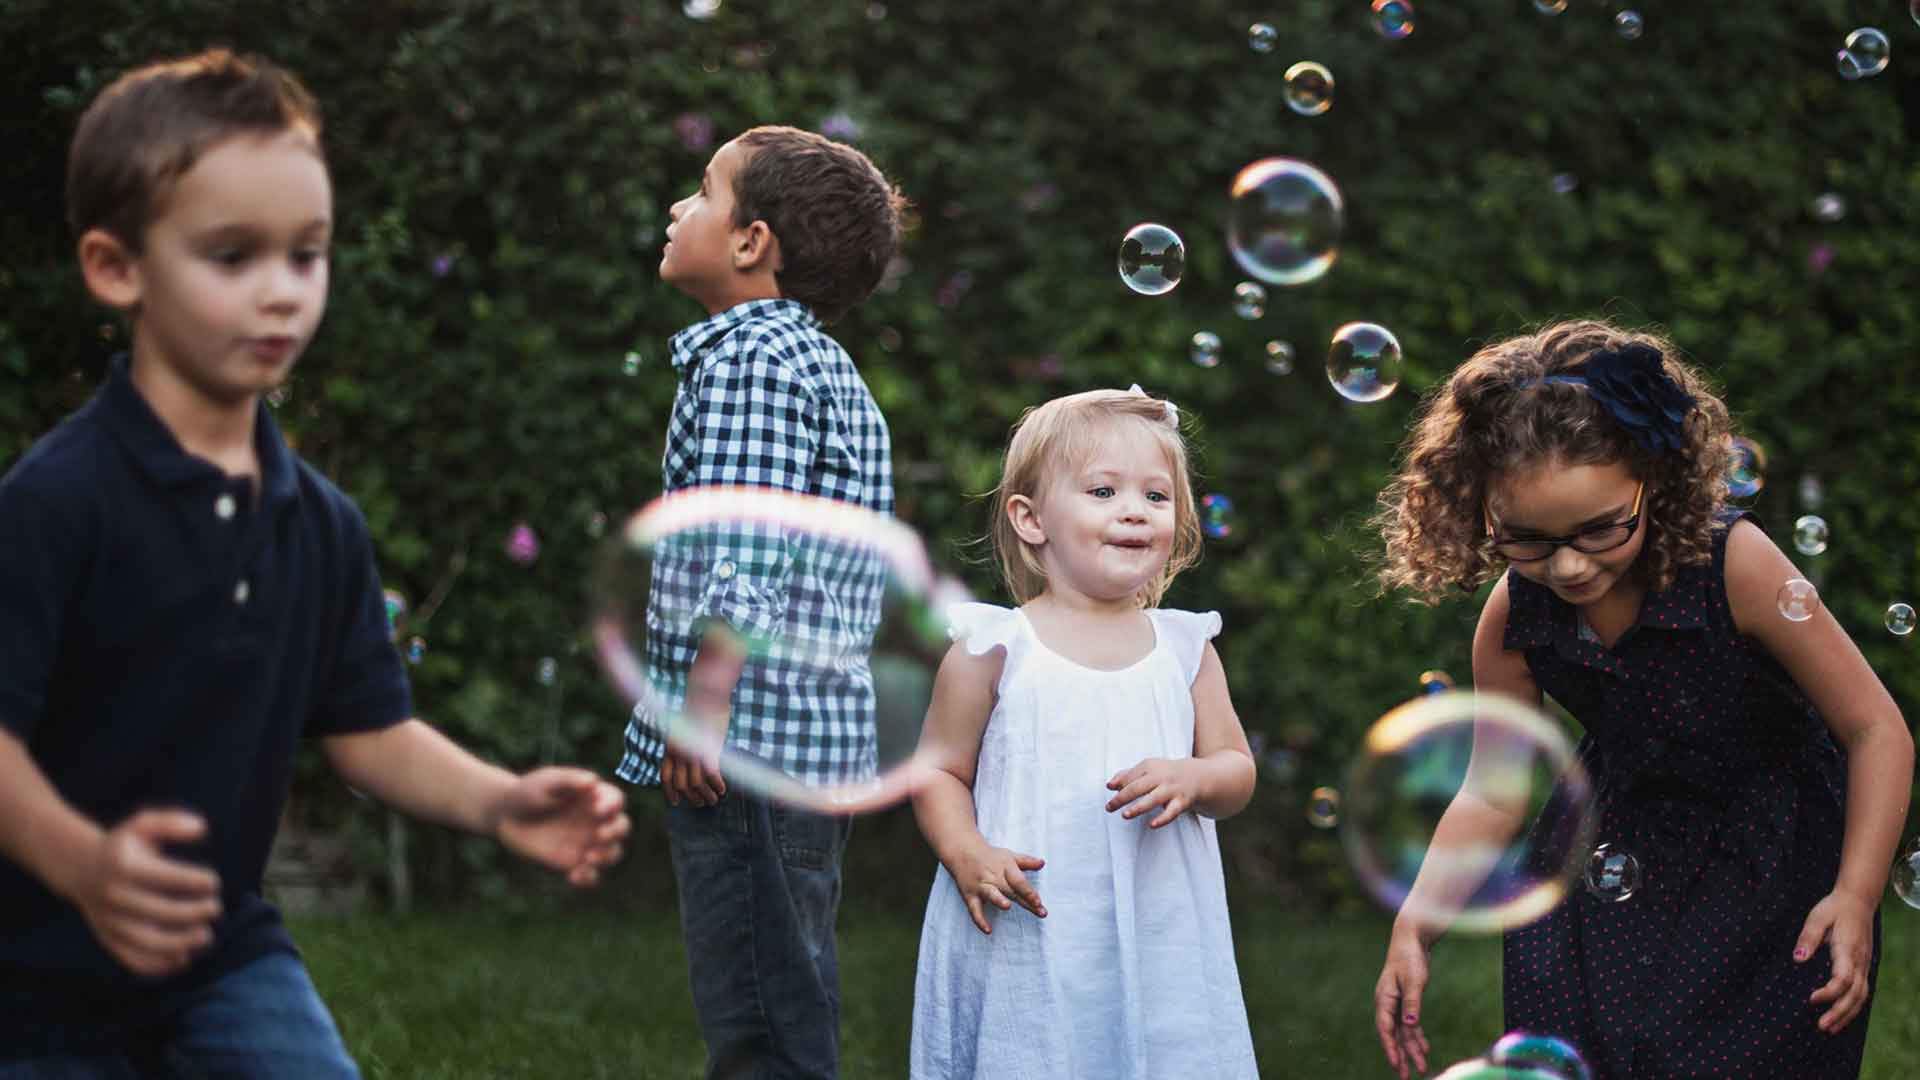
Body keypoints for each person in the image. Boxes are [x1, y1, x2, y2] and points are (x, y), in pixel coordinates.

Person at [0, 49, 630, 1075]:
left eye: (307, 254)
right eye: (233, 256)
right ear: (117, 267)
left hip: (222, 957)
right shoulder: (58, 503)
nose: (282, 292)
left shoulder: (317, 522)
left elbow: (367, 731)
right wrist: (85, 866)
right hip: (30, 972)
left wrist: (498, 802)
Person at [1368, 320, 1912, 1078]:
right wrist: (1417, 925)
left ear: (1654, 479)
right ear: (1479, 510)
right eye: (1524, 538)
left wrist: (1854, 896)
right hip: (1604, 857)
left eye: (1598, 530)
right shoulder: (1514, 615)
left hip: (1769, 855)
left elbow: (1874, 728)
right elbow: (1494, 793)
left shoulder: (1736, 566)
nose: (1565, 565)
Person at [617, 124, 906, 1079]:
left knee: (760, 1016)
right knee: (789, 983)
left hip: (748, 738)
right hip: (800, 741)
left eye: (701, 191)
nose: (675, 208)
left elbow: (745, 546)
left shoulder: (751, 361)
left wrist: (704, 707)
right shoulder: (817, 363)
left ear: (752, 241)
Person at [908, 386, 1260, 1078]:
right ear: (1030, 518)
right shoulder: (995, 644)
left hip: (1160, 926)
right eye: (1103, 491)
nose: (1134, 510)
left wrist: (1197, 776)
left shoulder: (1184, 647)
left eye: (1157, 497)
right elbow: (939, 770)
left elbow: (1236, 769)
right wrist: (966, 850)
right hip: (1029, 927)